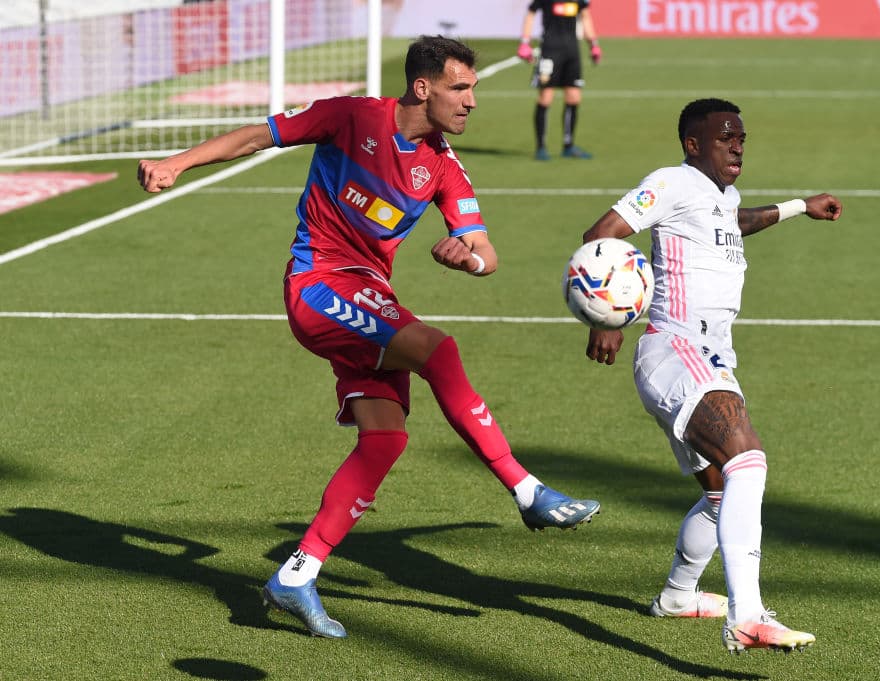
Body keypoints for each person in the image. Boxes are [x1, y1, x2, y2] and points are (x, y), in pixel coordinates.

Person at [138, 35, 600, 639]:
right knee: (440, 350)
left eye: (473, 90)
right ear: (422, 87)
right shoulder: (352, 116)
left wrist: (471, 261)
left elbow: (487, 250)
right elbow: (259, 136)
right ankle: (526, 488)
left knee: (384, 442)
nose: (471, 103)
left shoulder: (443, 167)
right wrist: (177, 163)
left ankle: (297, 575)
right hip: (318, 286)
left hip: (367, 296)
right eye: (460, 89)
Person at [579, 98, 841, 653]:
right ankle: (747, 615)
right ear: (693, 144)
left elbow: (733, 224)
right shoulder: (671, 181)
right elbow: (600, 234)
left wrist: (799, 206)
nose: (738, 144)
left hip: (712, 354)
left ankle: (678, 595)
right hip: (677, 345)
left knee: (723, 493)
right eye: (725, 137)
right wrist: (609, 315)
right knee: (747, 458)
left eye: (741, 137)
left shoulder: (722, 195)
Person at [517, 0, 601, 161]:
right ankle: (541, 147)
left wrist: (593, 44)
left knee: (574, 97)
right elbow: (531, 13)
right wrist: (525, 42)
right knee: (546, 98)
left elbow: (586, 17)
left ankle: (568, 146)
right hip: (550, 51)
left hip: (572, 52)